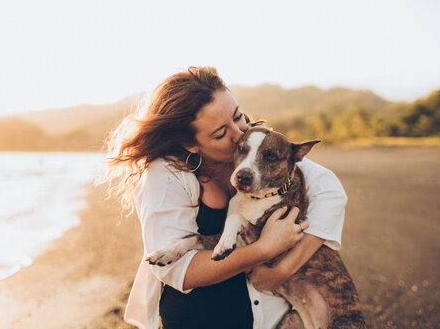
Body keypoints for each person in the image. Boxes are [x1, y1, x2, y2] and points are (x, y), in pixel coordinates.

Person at [103, 67, 347, 329]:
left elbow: (330, 191)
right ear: (190, 144)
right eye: (220, 133)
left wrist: (282, 270)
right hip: (198, 320)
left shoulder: (255, 143)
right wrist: (263, 249)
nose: (238, 133)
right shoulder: (166, 173)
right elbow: (176, 270)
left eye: (238, 116)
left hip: (269, 316)